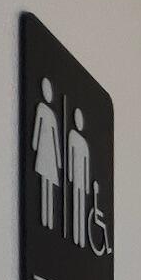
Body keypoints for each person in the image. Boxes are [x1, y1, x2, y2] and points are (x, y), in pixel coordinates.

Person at [32, 78, 61, 229]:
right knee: (44, 183)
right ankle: (45, 218)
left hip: (49, 154)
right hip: (44, 151)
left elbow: (56, 139)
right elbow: (37, 129)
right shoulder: (42, 109)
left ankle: (49, 219)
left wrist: (59, 160)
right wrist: (35, 145)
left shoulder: (51, 114)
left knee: (49, 184)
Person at [66, 106, 91, 249]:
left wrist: (87, 185)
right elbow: (70, 156)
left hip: (81, 178)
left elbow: (87, 164)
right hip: (75, 177)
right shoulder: (72, 137)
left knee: (81, 206)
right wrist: (69, 174)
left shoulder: (84, 143)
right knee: (75, 204)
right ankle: (76, 236)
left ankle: (80, 238)